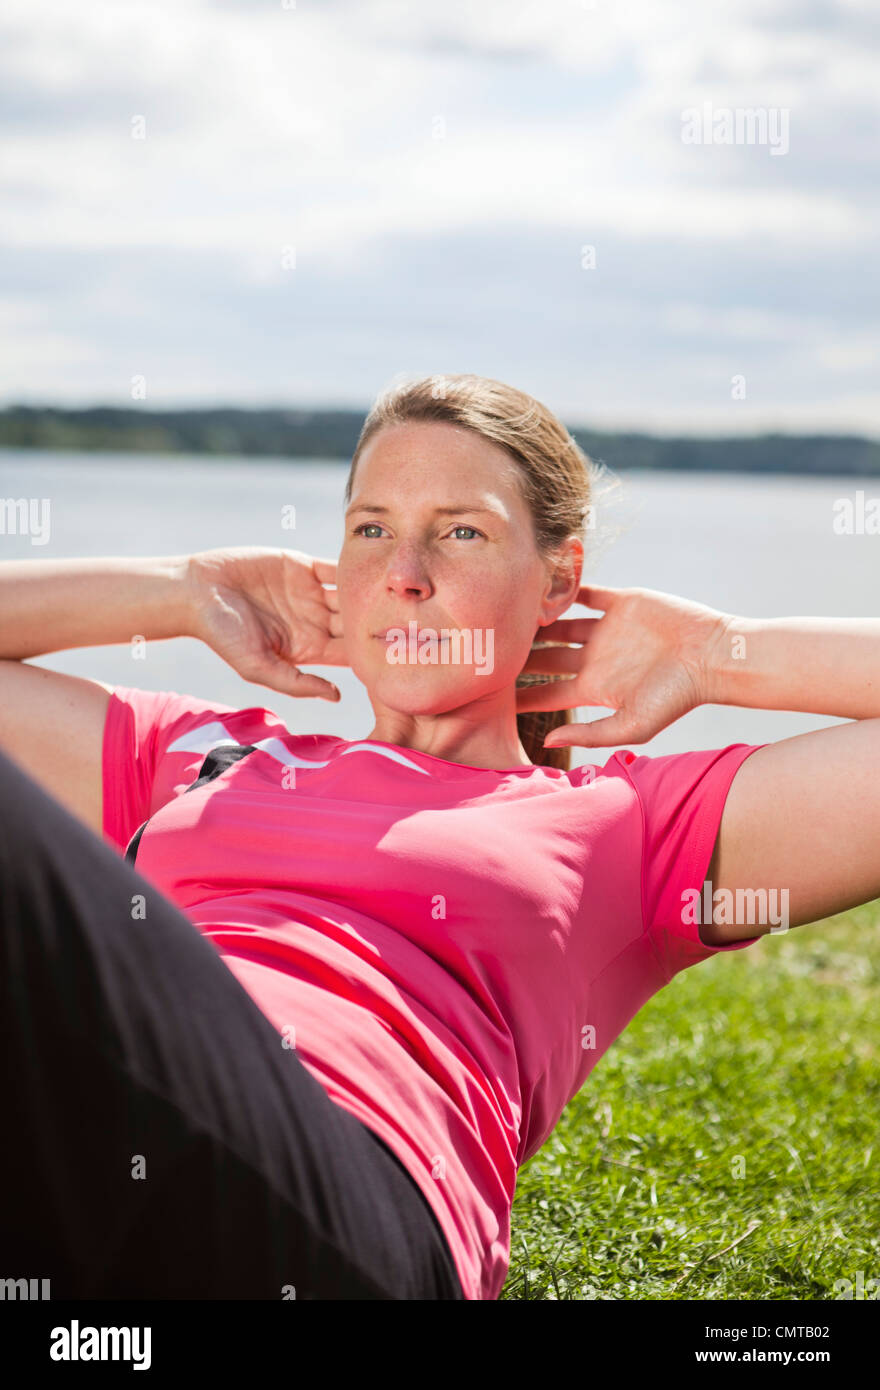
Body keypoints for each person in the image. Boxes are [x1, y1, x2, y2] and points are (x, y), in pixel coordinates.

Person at [2, 373, 879, 1301]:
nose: (404, 573)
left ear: (557, 582)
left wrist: (716, 655)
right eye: (371, 528)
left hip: (345, 1201)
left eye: (462, 531)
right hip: (99, 1141)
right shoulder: (204, 756)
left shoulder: (628, 825)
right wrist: (184, 590)